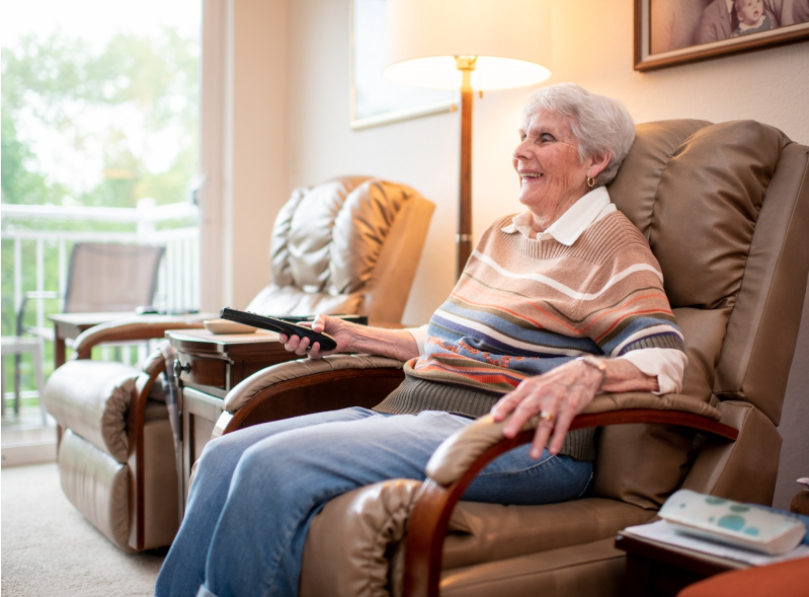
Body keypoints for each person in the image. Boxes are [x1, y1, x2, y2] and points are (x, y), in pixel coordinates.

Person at [154, 83, 688, 597]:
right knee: (223, 455)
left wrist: (589, 371)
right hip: (417, 410)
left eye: (544, 139)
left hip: (513, 437)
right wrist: (354, 337)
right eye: (523, 136)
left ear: (596, 161)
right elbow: (447, 337)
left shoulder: (612, 245)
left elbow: (662, 356)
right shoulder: (505, 232)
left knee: (271, 468)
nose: (521, 151)